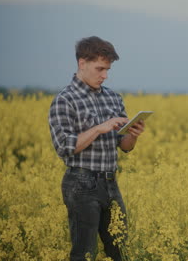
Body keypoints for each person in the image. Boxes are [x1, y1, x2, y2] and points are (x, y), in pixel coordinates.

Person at [48, 36, 145, 261]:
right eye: (100, 68)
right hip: (81, 185)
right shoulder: (64, 100)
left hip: (110, 183)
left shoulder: (112, 98)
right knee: (85, 254)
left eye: (108, 69)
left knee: (120, 252)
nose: (105, 75)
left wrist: (133, 135)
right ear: (82, 63)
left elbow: (124, 147)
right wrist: (99, 129)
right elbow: (65, 146)